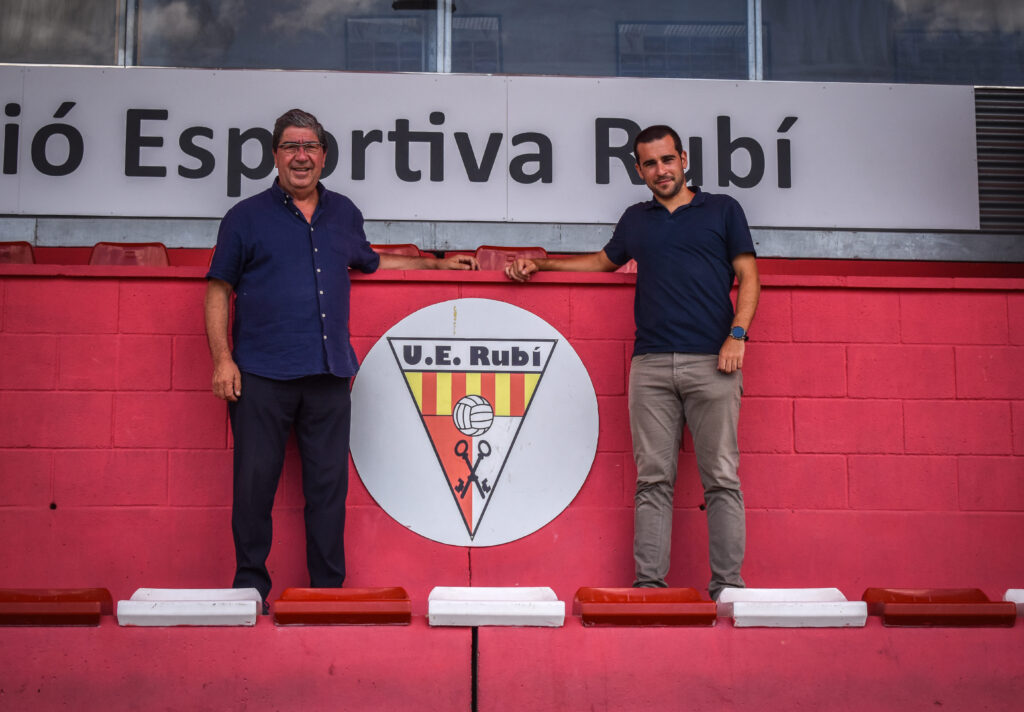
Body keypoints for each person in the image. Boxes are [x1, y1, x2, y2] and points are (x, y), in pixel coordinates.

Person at [205, 108, 478, 606]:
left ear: (324, 155)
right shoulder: (244, 218)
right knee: (253, 487)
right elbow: (218, 289)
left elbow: (371, 260)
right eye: (290, 147)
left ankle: (326, 592)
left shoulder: (344, 213)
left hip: (329, 373)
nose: (301, 156)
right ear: (274, 156)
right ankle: (249, 586)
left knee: (328, 491)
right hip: (260, 374)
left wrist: (433, 262)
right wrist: (223, 360)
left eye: (310, 146)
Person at [505, 124, 759, 601]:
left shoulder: (723, 210)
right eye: (650, 163)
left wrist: (738, 335)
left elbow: (749, 276)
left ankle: (728, 589)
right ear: (638, 169)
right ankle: (649, 589)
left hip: (714, 362)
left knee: (721, 479)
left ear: (684, 159)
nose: (660, 170)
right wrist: (543, 264)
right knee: (652, 481)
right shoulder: (636, 219)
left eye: (667, 160)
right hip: (651, 366)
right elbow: (602, 262)